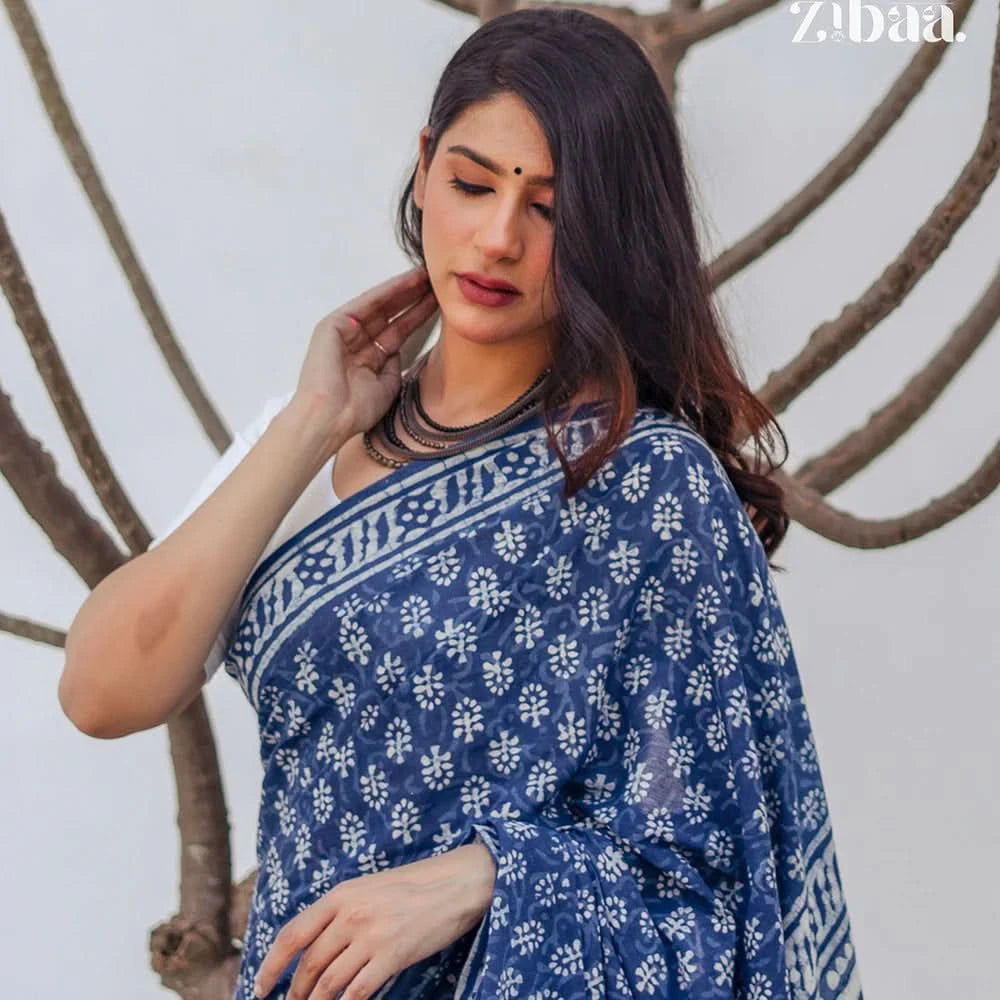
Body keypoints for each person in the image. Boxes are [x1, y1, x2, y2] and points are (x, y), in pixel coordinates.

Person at [60, 8, 864, 999]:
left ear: (608, 229)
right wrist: (315, 419)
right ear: (424, 163)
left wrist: (486, 874)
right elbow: (102, 693)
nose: (496, 237)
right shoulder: (305, 437)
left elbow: (708, 880)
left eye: (551, 210)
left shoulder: (647, 485)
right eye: (472, 184)